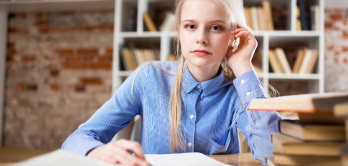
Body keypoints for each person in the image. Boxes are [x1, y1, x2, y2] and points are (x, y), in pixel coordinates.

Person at [62, 0, 281, 165]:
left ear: (233, 36)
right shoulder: (149, 78)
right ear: (179, 32)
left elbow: (272, 154)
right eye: (191, 26)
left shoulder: (238, 93)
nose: (201, 38)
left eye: (216, 27)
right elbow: (78, 139)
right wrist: (97, 152)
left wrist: (243, 66)